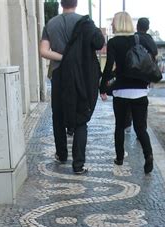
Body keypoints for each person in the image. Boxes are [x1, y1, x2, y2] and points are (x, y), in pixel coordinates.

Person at [40, 0, 104, 174]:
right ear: (76, 3)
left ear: (61, 3)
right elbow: (98, 43)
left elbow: (43, 51)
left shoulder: (51, 23)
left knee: (58, 114)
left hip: (59, 74)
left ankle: (61, 154)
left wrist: (63, 57)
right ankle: (78, 165)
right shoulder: (85, 22)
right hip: (81, 76)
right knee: (81, 117)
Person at [100, 12, 157, 174]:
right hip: (140, 91)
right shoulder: (138, 39)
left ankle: (119, 157)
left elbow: (109, 66)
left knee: (119, 126)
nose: (111, 25)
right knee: (140, 128)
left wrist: (103, 88)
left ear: (117, 24)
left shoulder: (113, 42)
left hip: (121, 91)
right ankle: (149, 155)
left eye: (113, 23)